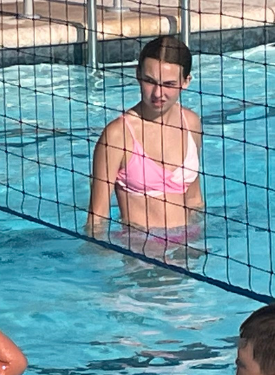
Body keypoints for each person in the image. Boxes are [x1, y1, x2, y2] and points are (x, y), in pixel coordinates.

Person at [87, 36, 203, 242]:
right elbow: (97, 217)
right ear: (138, 74)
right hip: (141, 252)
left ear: (186, 82)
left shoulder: (191, 123)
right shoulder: (117, 136)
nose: (159, 93)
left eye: (169, 84)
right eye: (150, 81)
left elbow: (194, 198)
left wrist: (198, 242)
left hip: (188, 246)